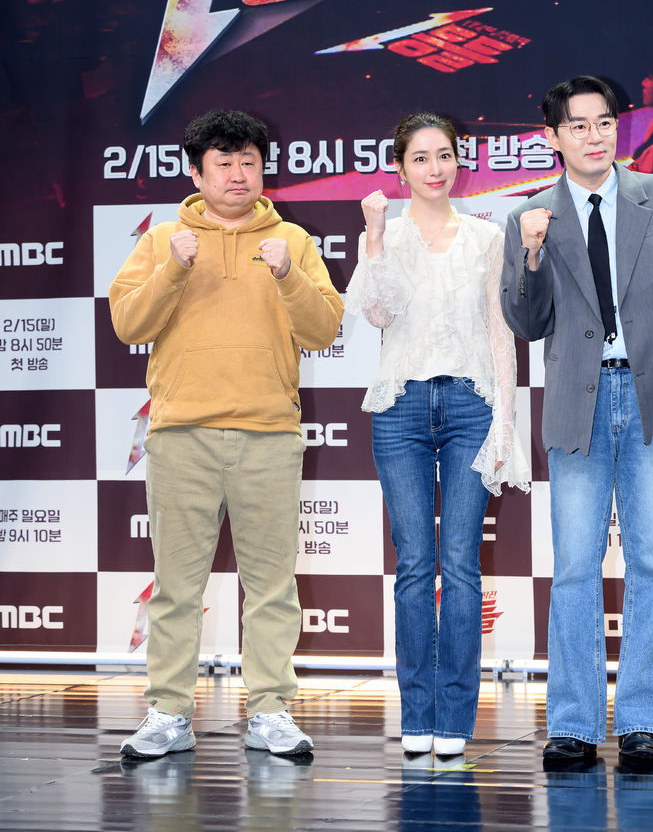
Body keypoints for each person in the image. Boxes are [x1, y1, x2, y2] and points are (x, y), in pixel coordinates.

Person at [499, 75, 653, 766]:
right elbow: (526, 321)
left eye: (604, 122)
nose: (594, 136)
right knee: (574, 565)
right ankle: (572, 722)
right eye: (578, 125)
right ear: (553, 136)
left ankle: (642, 721)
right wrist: (532, 254)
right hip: (581, 398)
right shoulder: (531, 214)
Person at [110, 110, 345, 760]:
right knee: (175, 586)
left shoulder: (292, 240)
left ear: (264, 169)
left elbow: (324, 329)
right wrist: (174, 269)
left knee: (271, 586)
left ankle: (270, 710)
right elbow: (128, 324)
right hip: (180, 434)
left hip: (268, 434)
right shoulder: (164, 240)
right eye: (223, 163)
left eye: (248, 162)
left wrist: (287, 275)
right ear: (196, 172)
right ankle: (168, 712)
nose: (238, 174)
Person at [345, 112, 529, 759]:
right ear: (400, 169)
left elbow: (500, 332)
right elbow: (375, 312)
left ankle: (454, 718)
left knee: (461, 563)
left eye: (443, 155)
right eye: (420, 157)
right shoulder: (384, 235)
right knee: (415, 564)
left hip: (471, 406)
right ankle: (416, 712)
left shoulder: (486, 236)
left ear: (459, 162)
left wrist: (505, 419)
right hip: (400, 408)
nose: (434, 168)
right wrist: (373, 234)